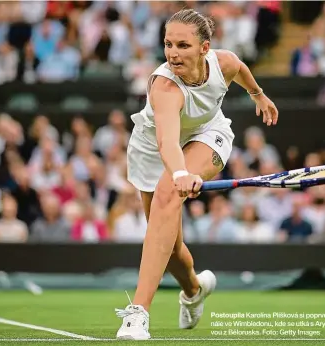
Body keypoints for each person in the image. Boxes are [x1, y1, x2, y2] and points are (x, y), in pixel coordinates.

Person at [115, 9, 278, 340]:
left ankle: (138, 313)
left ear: (204, 48)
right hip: (154, 152)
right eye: (168, 44)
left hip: (208, 135)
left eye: (183, 45)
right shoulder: (164, 88)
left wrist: (257, 94)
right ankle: (194, 288)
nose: (173, 53)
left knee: (166, 195)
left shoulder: (225, 63)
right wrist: (178, 172)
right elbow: (165, 141)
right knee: (171, 249)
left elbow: (243, 71)